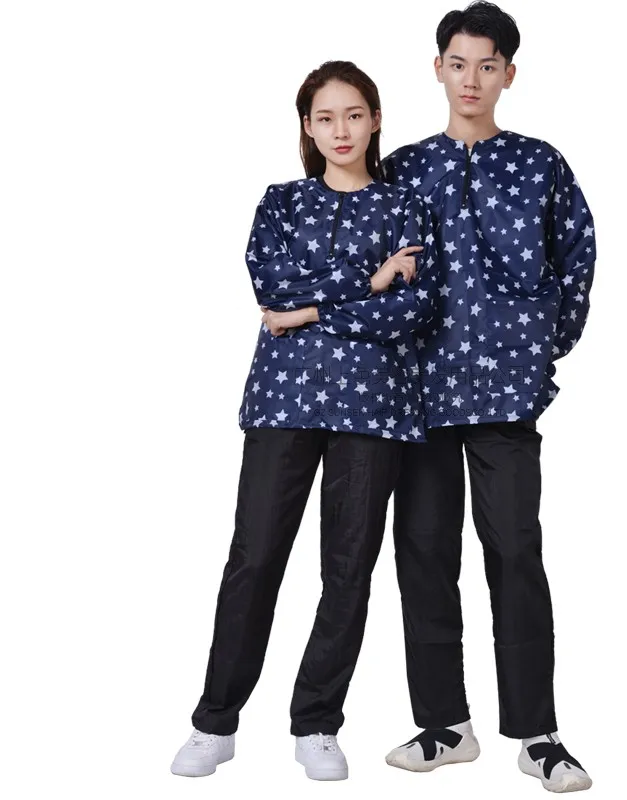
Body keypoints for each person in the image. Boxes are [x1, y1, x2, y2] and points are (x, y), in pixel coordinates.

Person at [170, 60, 438, 782]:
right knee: (254, 557)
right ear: (308, 128)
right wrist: (369, 280)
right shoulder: (282, 202)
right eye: (325, 117)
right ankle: (215, 721)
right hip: (282, 403)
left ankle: (317, 722)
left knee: (348, 569)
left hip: (374, 409)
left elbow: (414, 309)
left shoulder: (407, 206)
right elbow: (271, 287)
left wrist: (308, 314)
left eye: (354, 114)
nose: (340, 130)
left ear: (375, 121)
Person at [380, 2, 596, 793]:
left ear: (508, 74)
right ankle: (446, 724)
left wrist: (541, 346)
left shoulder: (539, 164)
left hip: (507, 392)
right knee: (424, 554)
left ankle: (537, 734)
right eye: (458, 63)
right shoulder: (402, 168)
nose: (471, 79)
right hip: (419, 392)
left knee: (515, 553)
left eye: (488, 65)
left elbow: (577, 254)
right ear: (437, 68)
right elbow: (371, 264)